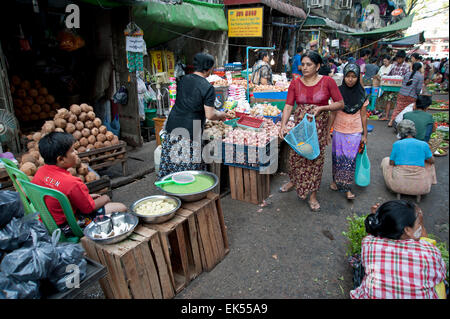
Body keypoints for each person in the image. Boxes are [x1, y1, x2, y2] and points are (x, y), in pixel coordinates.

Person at [278, 51, 344, 211]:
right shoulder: (295, 83)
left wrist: (323, 108)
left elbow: (340, 103)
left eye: (309, 64)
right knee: (295, 158)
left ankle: (313, 195)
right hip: (301, 127)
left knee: (315, 160)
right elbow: (288, 105)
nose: (304, 67)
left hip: (318, 128)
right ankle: (294, 181)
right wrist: (283, 125)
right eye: (303, 64)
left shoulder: (327, 81)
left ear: (318, 66)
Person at [32, 132, 127, 235]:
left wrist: (87, 196)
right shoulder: (72, 183)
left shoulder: (40, 172)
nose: (76, 152)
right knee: (121, 208)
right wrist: (105, 198)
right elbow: (88, 209)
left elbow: (59, 192)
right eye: (72, 151)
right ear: (61, 159)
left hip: (47, 223)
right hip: (67, 227)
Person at [350, 200, 447, 299]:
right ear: (407, 230)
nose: (421, 227)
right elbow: (441, 275)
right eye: (419, 223)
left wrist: (382, 219)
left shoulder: (369, 243)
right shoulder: (430, 251)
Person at [159, 53, 228, 178]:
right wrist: (221, 114)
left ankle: (171, 190)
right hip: (190, 131)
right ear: (208, 68)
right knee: (187, 169)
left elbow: (189, 102)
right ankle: (187, 193)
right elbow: (210, 114)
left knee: (172, 163)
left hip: (172, 125)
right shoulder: (207, 87)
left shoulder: (183, 79)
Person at [328, 63, 368, 200]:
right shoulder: (337, 92)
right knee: (337, 158)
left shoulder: (362, 94)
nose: (350, 79)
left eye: (353, 77)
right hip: (338, 130)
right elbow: (333, 113)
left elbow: (363, 115)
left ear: (358, 77)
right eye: (348, 76)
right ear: (344, 76)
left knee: (349, 161)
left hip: (355, 131)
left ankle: (346, 188)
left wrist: (364, 134)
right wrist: (328, 130)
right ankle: (335, 181)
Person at [381, 119, 437, 198]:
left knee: (386, 160)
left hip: (397, 186)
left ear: (400, 132)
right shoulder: (423, 144)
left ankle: (400, 185)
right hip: (422, 188)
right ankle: (431, 182)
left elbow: (391, 163)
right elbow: (432, 161)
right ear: (414, 130)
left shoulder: (397, 144)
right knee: (429, 163)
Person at [388, 62, 424, 127]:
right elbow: (418, 89)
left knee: (398, 108)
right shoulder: (420, 76)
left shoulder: (407, 74)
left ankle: (391, 122)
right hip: (411, 96)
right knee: (409, 110)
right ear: (420, 68)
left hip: (401, 93)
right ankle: (405, 124)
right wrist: (418, 95)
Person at [380, 50, 410, 121]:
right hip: (391, 87)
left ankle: (395, 118)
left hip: (400, 88)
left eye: (399, 58)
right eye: (397, 58)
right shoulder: (394, 65)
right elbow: (390, 74)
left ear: (403, 58)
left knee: (398, 103)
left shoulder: (406, 66)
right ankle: (387, 116)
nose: (398, 60)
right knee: (388, 100)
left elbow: (406, 77)